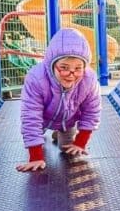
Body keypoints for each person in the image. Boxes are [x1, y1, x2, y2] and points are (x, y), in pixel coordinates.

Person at [16, 27, 101, 172]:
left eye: (78, 68)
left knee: (66, 149)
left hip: (67, 120)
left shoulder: (89, 79)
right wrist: (36, 156)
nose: (71, 74)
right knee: (36, 138)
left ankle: (58, 132)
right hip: (42, 118)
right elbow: (31, 116)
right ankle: (47, 134)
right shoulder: (36, 78)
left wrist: (81, 142)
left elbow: (92, 111)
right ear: (52, 65)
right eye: (64, 67)